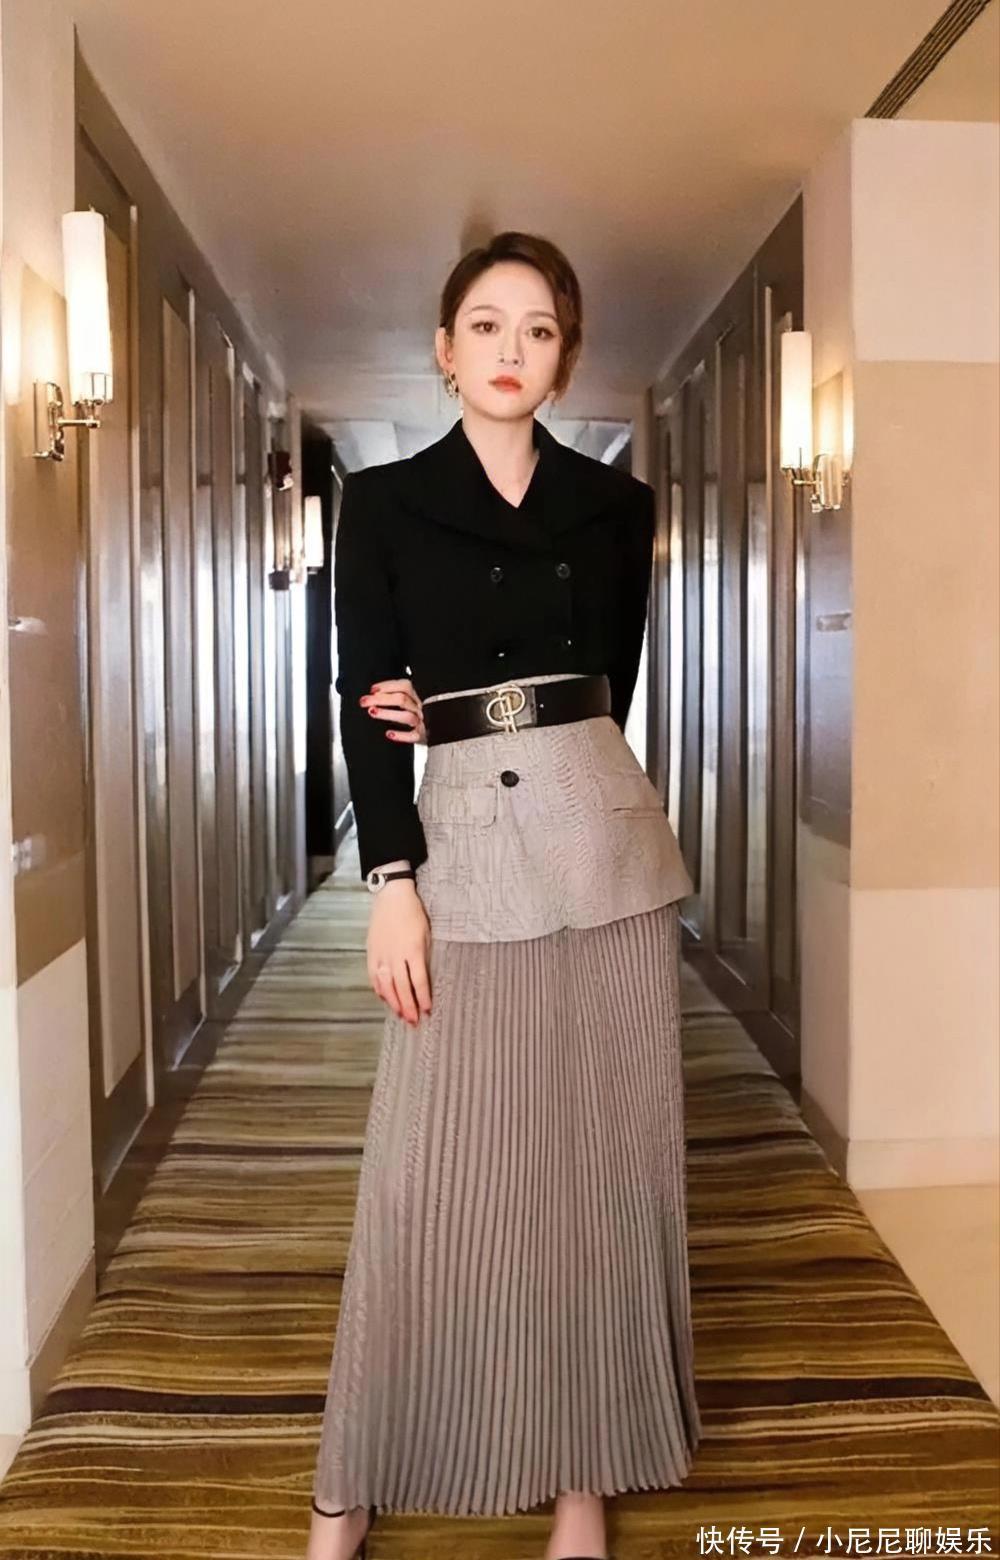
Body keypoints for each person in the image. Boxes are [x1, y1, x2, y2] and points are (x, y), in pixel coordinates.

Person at [307, 231, 701, 1560]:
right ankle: (355, 1472)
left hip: (608, 851)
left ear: (564, 357)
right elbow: (368, 701)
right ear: (444, 349)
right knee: (428, 1173)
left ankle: (585, 1474)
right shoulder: (383, 503)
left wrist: (490, 711)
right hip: (461, 851)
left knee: (605, 1162)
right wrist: (394, 880)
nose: (511, 349)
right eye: (486, 325)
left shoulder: (617, 507)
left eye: (539, 329)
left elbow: (605, 689)